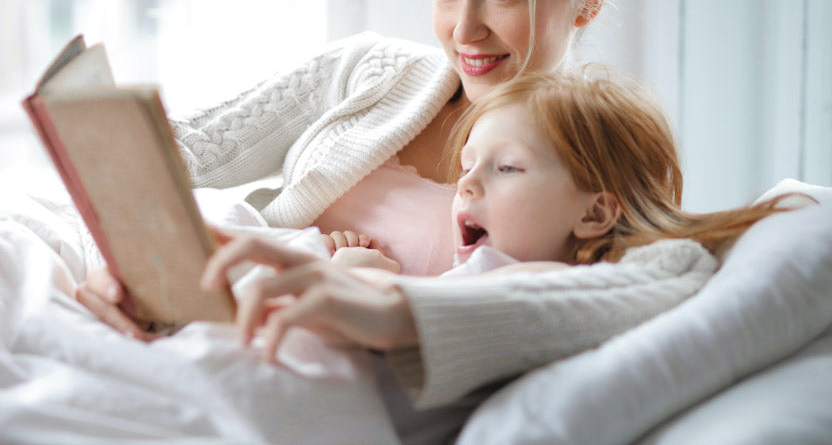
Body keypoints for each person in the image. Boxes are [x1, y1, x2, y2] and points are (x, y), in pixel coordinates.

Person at [77, 0, 625, 337]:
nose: (462, 30)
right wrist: (128, 266)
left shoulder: (597, 169)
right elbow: (180, 160)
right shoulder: (371, 71)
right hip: (212, 322)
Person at [200, 68, 796, 426]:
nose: (466, 183)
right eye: (468, 164)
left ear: (595, 211)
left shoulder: (567, 283)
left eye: (506, 167)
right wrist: (357, 273)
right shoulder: (489, 271)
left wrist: (379, 296)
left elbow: (670, 269)